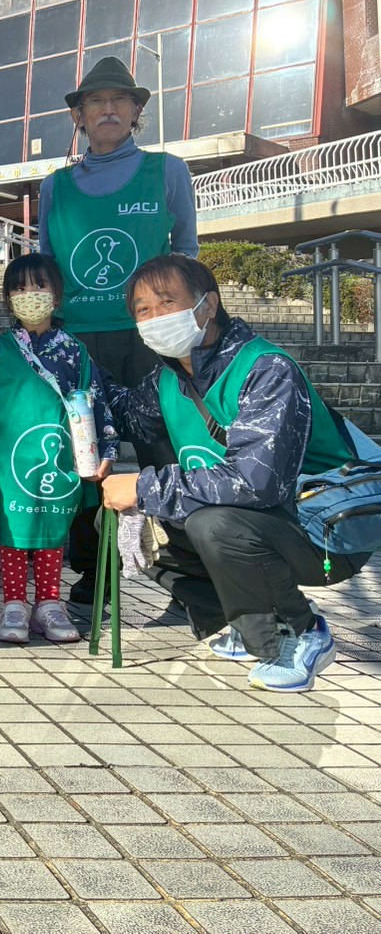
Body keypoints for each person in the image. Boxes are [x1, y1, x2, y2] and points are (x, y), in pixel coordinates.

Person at [101, 255, 367, 692]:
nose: (154, 318)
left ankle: (300, 633)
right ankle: (233, 626)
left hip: (324, 531)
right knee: (129, 521)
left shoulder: (265, 369)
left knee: (213, 522)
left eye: (167, 302)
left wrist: (145, 485)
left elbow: (255, 481)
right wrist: (64, 363)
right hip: (258, 526)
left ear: (207, 306)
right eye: (143, 310)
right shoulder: (169, 377)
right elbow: (123, 413)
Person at [40, 56, 196, 603]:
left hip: (153, 338)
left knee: (165, 454)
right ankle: (94, 571)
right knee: (85, 457)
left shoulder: (168, 171)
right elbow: (46, 266)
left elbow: (188, 256)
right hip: (80, 338)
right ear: (79, 116)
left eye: (118, 100)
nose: (107, 109)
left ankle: (189, 574)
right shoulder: (55, 186)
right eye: (95, 102)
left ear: (135, 111)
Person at [0, 254, 119, 644]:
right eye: (18, 288)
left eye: (39, 286)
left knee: (52, 526)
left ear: (58, 294)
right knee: (15, 525)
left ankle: (49, 602)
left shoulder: (74, 350)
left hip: (62, 455)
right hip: (10, 457)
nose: (29, 295)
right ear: (6, 298)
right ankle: (13, 603)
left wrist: (106, 448)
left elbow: (95, 400)